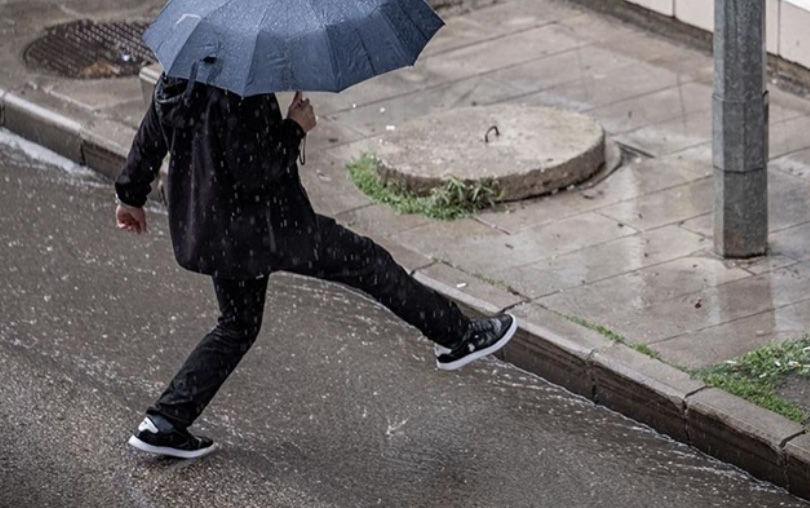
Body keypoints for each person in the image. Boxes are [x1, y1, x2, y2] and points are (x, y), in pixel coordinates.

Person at [115, 75, 516, 459]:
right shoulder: (239, 89)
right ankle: (457, 336)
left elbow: (151, 135)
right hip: (267, 227)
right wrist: (295, 127)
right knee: (366, 261)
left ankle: (164, 421)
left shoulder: (181, 72)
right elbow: (256, 168)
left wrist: (129, 195)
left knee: (237, 326)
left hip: (215, 227)